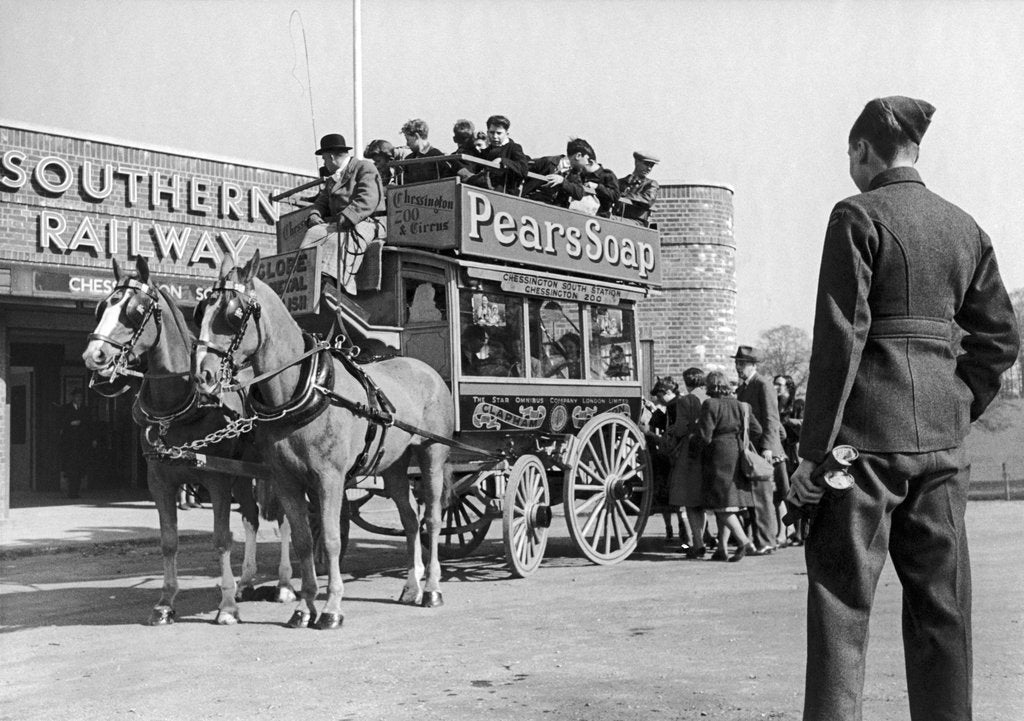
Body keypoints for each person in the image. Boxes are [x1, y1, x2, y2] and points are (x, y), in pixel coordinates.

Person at [787, 95, 1020, 721]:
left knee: (841, 602)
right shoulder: (965, 227)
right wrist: (958, 403)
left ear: (863, 151)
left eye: (849, 155)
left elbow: (840, 339)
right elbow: (1001, 338)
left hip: (860, 445)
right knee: (943, 610)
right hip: (942, 446)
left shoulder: (855, 216)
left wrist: (813, 455)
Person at [300, 133, 384, 296]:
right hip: (338, 224)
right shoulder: (333, 179)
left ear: (331, 157)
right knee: (313, 233)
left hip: (365, 222)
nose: (324, 163)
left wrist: (347, 216)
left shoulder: (364, 168)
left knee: (337, 241)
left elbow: (368, 198)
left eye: (324, 159)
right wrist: (314, 215)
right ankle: (310, 278)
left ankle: (333, 283)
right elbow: (321, 202)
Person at [696, 370, 760, 562]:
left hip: (717, 455)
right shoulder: (741, 405)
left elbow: (705, 436)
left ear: (710, 385)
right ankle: (722, 549)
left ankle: (744, 542)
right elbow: (757, 429)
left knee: (720, 503)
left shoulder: (710, 404)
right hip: (736, 452)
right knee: (727, 502)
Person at [734, 345, 784, 555]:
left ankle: (768, 540)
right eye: (737, 363)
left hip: (763, 450)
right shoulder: (743, 387)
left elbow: (772, 418)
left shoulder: (762, 385)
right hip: (750, 448)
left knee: (766, 499)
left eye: (743, 364)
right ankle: (762, 539)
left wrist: (768, 448)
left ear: (753, 365)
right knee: (757, 498)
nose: (739, 367)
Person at [668, 367, 709, 558]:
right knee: (702, 500)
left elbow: (681, 428)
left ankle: (697, 543)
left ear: (686, 381)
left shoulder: (685, 400)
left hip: (690, 451)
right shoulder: (709, 398)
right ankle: (708, 539)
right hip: (707, 449)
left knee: (690, 500)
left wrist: (671, 433)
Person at [641, 377, 687, 543]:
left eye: (659, 395)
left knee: (680, 501)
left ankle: (687, 539)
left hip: (677, 458)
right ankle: (688, 538)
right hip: (675, 457)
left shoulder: (676, 406)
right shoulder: (673, 405)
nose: (658, 399)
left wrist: (649, 434)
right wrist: (653, 409)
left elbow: (671, 437)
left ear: (668, 392)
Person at [774, 374, 805, 545]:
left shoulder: (798, 403)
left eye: (779, 384)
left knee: (796, 492)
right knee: (782, 493)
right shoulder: (775, 404)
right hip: (781, 449)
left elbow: (804, 424)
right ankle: (784, 531)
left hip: (794, 450)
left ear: (788, 386)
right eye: (775, 384)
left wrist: (787, 422)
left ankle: (799, 532)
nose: (776, 387)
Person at [465, 114, 529, 195]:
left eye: (499, 133)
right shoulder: (486, 151)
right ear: (487, 132)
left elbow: (523, 168)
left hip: (506, 194)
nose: (495, 136)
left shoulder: (514, 148)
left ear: (507, 133)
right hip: (485, 192)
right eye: (492, 132)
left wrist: (502, 160)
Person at [59, 388, 94, 499]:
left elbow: (90, 424)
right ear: (73, 398)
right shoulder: (65, 408)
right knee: (70, 468)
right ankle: (71, 491)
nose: (79, 399)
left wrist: (93, 439)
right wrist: (70, 424)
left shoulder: (85, 409)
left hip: (81, 443)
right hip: (69, 443)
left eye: (81, 397)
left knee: (79, 468)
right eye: (77, 397)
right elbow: (61, 423)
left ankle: (76, 491)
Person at [400, 118, 450, 184]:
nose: (407, 144)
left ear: (416, 136)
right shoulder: (408, 159)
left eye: (408, 139)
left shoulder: (437, 155)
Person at [618, 151, 660, 226]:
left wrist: (624, 196)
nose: (649, 168)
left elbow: (648, 200)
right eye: (646, 164)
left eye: (652, 166)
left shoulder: (651, 184)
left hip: (637, 223)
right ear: (637, 162)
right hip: (618, 218)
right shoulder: (620, 182)